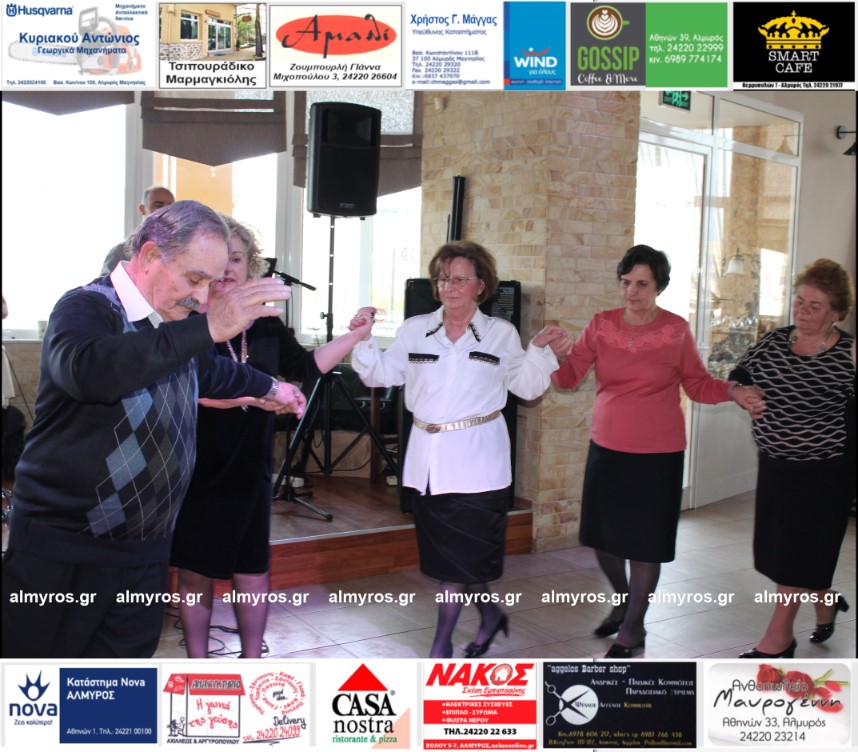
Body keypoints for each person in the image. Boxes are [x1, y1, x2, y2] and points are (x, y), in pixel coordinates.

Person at [1, 200, 307, 659]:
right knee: (38, 687)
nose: (201, 297)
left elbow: (208, 370)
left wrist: (269, 387)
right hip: (65, 551)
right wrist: (210, 328)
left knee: (120, 692)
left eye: (210, 283)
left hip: (145, 551)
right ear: (149, 256)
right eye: (195, 279)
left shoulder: (169, 325)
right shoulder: (87, 306)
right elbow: (89, 370)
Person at [348, 240, 568, 658]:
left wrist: (539, 350)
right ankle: (490, 616)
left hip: (479, 466)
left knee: (457, 564)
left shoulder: (500, 334)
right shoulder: (415, 330)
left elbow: (526, 386)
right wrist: (363, 338)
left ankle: (441, 645)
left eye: (460, 280)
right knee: (454, 560)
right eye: (444, 279)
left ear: (480, 286)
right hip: (428, 465)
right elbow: (380, 374)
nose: (449, 287)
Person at [170, 216, 369, 658]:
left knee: (253, 567)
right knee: (196, 571)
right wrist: (261, 395)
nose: (228, 269)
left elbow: (305, 366)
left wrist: (354, 336)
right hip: (198, 467)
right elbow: (188, 389)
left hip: (251, 465)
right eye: (220, 259)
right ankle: (198, 663)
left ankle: (252, 660)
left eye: (237, 259)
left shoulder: (265, 324)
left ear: (251, 268)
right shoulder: (185, 319)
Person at [551, 244, 765, 658]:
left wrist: (733, 391)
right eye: (626, 282)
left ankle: (633, 628)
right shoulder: (601, 325)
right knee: (602, 539)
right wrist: (557, 357)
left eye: (642, 284)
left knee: (646, 544)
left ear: (659, 287)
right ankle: (624, 599)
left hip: (658, 455)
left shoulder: (676, 330)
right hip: (607, 449)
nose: (631, 292)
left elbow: (697, 383)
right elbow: (568, 378)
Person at [732, 258, 855, 659]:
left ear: (837, 313)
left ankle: (779, 639)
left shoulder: (850, 354)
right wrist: (742, 394)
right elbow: (739, 375)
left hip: (824, 474)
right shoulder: (775, 341)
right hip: (776, 469)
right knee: (784, 553)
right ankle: (826, 600)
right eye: (799, 301)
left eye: (814, 306)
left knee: (795, 556)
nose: (802, 311)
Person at [101, 186, 176, 274]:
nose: (165, 211)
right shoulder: (121, 252)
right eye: (158, 206)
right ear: (142, 209)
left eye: (170, 207)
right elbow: (106, 282)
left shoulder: (180, 248)